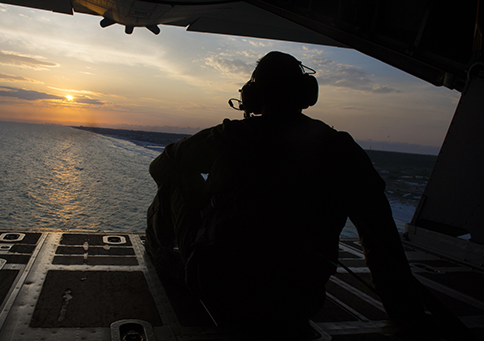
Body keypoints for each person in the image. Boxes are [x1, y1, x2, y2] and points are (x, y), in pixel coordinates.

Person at [145, 51, 429, 339]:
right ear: (306, 93)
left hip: (220, 288)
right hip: (300, 301)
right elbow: (381, 238)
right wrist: (407, 314)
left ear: (253, 96)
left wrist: (210, 195)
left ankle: (161, 254)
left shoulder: (231, 137)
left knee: (178, 174)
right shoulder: (340, 148)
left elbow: (160, 168)